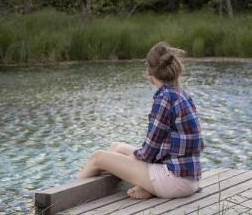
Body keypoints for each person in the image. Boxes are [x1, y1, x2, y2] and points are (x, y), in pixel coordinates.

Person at [77, 41, 204, 199]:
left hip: (175, 180)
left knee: (98, 157)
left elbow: (149, 152)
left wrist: (129, 160)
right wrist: (125, 160)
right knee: (116, 147)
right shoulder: (180, 93)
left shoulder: (165, 98)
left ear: (149, 72)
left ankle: (64, 200)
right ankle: (144, 187)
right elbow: (167, 148)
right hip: (191, 178)